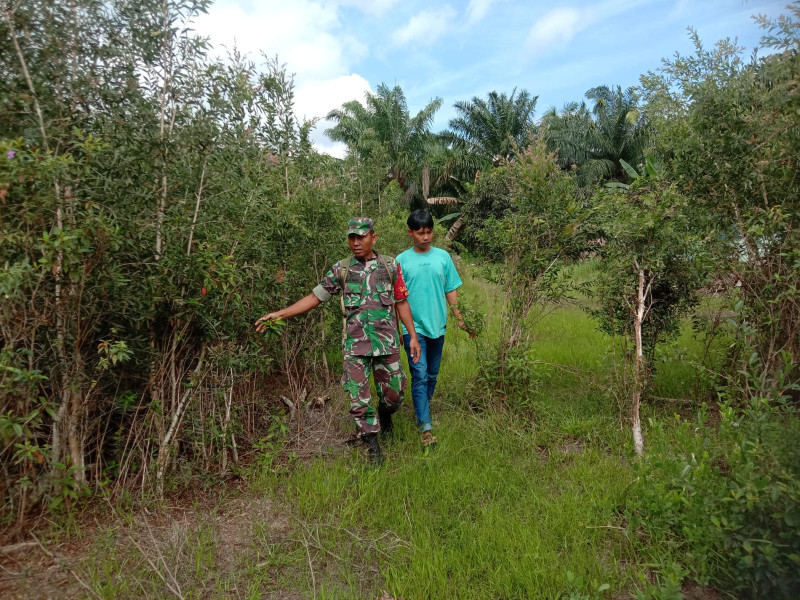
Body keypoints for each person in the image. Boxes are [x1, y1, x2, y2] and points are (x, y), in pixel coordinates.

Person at [255, 217, 421, 466]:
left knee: (394, 397)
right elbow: (314, 297)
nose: (355, 242)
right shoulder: (341, 269)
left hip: (386, 345)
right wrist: (280, 313)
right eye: (351, 237)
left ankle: (386, 416)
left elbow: (401, 302)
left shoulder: (390, 266)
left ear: (373, 237)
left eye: (361, 237)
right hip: (355, 348)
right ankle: (373, 446)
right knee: (359, 398)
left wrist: (413, 337)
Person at [397, 209, 471, 448]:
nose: (426, 237)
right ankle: (426, 427)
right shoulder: (400, 261)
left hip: (438, 326)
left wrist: (460, 317)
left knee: (431, 375)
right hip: (413, 329)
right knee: (418, 375)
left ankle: (422, 410)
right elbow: (397, 299)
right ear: (410, 233)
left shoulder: (443, 257)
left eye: (429, 232)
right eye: (420, 233)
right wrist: (402, 330)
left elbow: (450, 289)